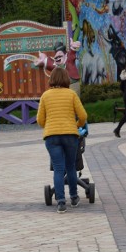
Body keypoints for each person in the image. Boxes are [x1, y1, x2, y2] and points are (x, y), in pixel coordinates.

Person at [36, 67, 88, 214]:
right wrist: (75, 125)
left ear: (51, 79)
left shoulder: (45, 96)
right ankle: (74, 197)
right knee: (71, 166)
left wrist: (49, 126)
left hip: (52, 137)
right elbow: (83, 116)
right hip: (70, 135)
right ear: (66, 79)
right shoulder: (71, 94)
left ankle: (60, 202)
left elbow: (40, 120)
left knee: (58, 169)